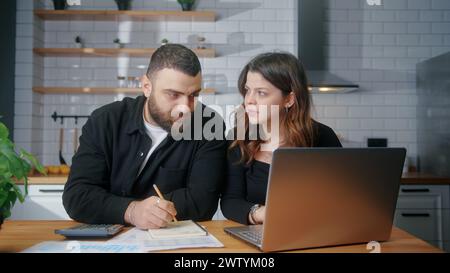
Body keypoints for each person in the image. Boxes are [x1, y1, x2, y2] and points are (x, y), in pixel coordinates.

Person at [63, 44, 227, 229]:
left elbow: (202, 203)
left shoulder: (209, 125)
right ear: (147, 86)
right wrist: (132, 211)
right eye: (174, 94)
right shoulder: (105, 121)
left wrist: (115, 205)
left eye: (193, 95)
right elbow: (77, 197)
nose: (186, 107)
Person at [220, 52, 342, 225]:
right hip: (260, 236)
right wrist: (261, 213)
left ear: (289, 99)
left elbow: (341, 196)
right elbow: (230, 201)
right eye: (247, 90)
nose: (249, 100)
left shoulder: (323, 137)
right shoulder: (239, 139)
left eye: (261, 93)